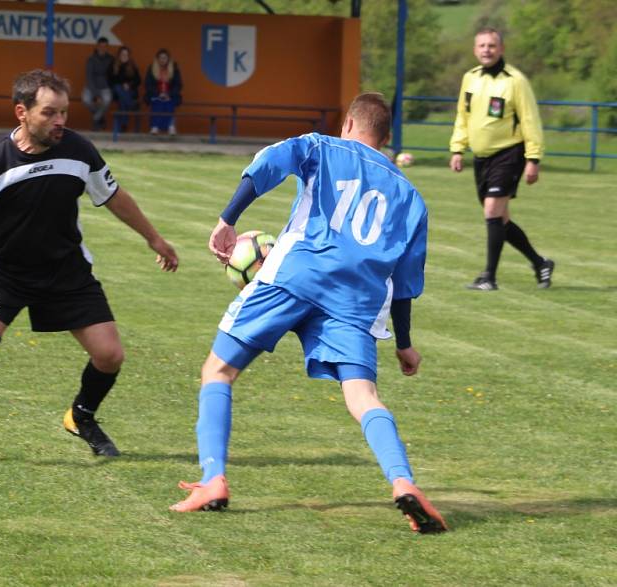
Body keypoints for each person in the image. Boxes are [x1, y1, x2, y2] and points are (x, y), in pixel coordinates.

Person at [170, 93, 448, 535]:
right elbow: (407, 279)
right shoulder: (412, 199)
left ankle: (212, 480)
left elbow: (269, 162)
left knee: (218, 371)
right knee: (363, 397)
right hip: (355, 301)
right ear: (386, 136)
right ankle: (403, 483)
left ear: (349, 124)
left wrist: (228, 218)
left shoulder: (322, 145)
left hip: (294, 276)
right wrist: (405, 343)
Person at [0, 69, 178, 461]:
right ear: (21, 113)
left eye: (63, 112)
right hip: (6, 273)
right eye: (50, 113)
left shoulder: (79, 151)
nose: (60, 121)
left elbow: (113, 196)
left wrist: (154, 238)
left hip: (66, 271)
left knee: (110, 356)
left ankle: (81, 417)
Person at [450, 27, 554, 291]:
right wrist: (458, 149)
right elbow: (463, 117)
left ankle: (489, 277)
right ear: (475, 50)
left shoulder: (515, 81)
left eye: (492, 45)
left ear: (501, 49)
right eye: (482, 45)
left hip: (509, 154)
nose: (487, 50)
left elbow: (530, 120)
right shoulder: (470, 78)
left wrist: (533, 158)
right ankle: (540, 263)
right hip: (481, 158)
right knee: (500, 219)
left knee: (492, 212)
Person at [144, 48, 182, 136]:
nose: (162, 60)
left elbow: (178, 84)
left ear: (168, 59)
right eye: (160, 58)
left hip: (170, 94)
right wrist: (158, 93)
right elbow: (148, 84)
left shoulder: (174, 68)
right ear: (157, 59)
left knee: (169, 103)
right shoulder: (151, 68)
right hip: (155, 94)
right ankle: (155, 127)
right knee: (158, 102)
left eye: (165, 57)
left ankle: (171, 126)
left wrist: (169, 94)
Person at [82, 37, 113, 131]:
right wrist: (96, 95)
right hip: (91, 86)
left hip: (105, 87)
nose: (103, 48)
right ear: (97, 46)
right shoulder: (91, 59)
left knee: (107, 100)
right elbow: (89, 77)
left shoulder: (111, 59)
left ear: (107, 47)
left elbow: (113, 76)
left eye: (105, 46)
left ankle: (96, 118)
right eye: (101, 46)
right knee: (86, 100)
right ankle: (100, 116)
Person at [109, 45, 141, 132]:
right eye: (122, 54)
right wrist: (122, 84)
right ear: (119, 55)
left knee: (122, 102)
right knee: (118, 88)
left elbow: (138, 80)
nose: (124, 56)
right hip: (117, 91)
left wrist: (129, 85)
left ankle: (124, 124)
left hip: (130, 91)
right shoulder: (114, 65)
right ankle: (131, 105)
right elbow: (111, 80)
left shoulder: (132, 65)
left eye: (126, 55)